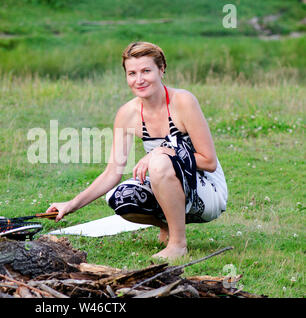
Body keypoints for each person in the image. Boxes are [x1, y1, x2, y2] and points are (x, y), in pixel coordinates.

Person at [45, 41, 227, 260]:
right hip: (168, 185)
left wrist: (160, 152)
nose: (139, 80)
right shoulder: (127, 114)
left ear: (161, 70)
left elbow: (209, 161)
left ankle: (178, 245)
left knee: (159, 163)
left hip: (207, 191)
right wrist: (71, 205)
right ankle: (169, 226)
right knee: (120, 197)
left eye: (146, 71)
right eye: (132, 73)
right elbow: (113, 172)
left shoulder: (183, 102)